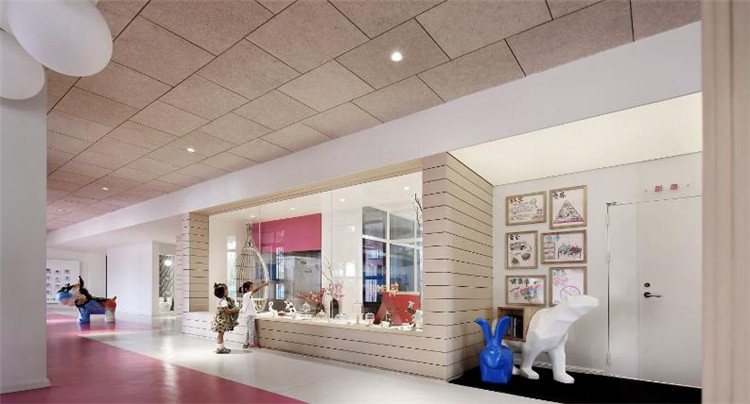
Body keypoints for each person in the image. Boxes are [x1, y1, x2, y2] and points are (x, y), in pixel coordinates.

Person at [211, 283, 239, 354]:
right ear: (223, 292)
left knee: (221, 333)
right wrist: (235, 310)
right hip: (222, 320)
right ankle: (220, 348)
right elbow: (228, 311)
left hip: (220, 319)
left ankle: (221, 347)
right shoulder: (224, 302)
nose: (227, 291)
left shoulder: (220, 299)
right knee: (221, 334)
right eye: (226, 289)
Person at [240, 280, 269, 349]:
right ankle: (251, 344)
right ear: (246, 289)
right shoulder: (247, 294)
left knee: (248, 330)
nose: (253, 288)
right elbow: (256, 290)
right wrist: (264, 285)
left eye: (253, 287)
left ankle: (246, 343)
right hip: (249, 315)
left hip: (249, 315)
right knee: (251, 330)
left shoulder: (247, 296)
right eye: (251, 287)